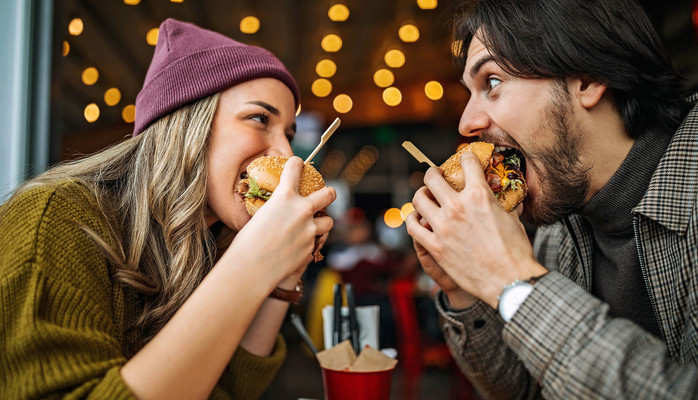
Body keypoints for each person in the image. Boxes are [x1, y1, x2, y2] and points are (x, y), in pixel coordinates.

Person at [0, 19, 335, 399]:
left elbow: (228, 390)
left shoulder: (209, 244)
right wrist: (251, 265)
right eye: (260, 118)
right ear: (187, 121)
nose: (288, 156)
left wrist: (281, 277)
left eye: (289, 134)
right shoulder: (54, 217)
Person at [405, 0, 698, 398]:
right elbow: (526, 389)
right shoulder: (560, 225)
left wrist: (512, 280)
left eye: (491, 82)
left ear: (588, 79)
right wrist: (465, 287)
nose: (467, 123)